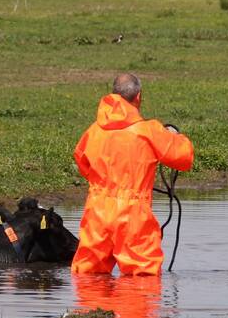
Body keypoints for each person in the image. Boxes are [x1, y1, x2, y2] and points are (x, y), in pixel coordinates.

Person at [71, 73, 194, 276]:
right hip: (133, 213)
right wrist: (174, 136)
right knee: (142, 276)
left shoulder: (93, 131)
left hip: (97, 211)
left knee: (88, 273)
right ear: (138, 97)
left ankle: (92, 308)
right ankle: (132, 308)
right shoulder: (149, 130)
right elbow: (183, 158)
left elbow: (83, 163)